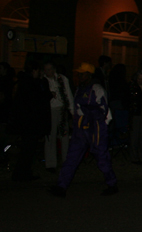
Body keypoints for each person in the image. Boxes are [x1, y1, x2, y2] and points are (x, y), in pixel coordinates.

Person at [49, 63, 118, 196]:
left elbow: (102, 111)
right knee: (72, 157)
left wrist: (86, 114)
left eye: (82, 73)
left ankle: (112, 184)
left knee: (102, 157)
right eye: (78, 73)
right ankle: (61, 186)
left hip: (95, 129)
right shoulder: (80, 89)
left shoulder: (97, 89)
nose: (79, 76)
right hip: (80, 129)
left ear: (89, 75)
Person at [10, 60, 51, 181]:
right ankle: (21, 173)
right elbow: (37, 101)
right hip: (30, 123)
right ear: (34, 71)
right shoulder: (31, 84)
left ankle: (22, 172)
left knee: (27, 149)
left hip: (26, 122)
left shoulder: (24, 83)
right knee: (28, 150)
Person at [43, 62, 74, 172]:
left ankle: (66, 160)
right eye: (46, 69)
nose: (49, 72)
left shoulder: (62, 79)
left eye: (50, 69)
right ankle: (51, 163)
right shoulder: (43, 81)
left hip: (61, 109)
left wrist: (72, 110)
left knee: (64, 135)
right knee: (50, 137)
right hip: (50, 110)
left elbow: (68, 94)